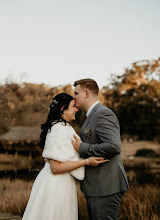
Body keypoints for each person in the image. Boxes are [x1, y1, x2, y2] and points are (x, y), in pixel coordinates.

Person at [22, 93, 108, 220]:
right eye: (73, 106)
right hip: (55, 186)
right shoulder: (58, 128)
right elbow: (55, 168)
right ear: (63, 109)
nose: (76, 109)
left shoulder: (64, 127)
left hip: (63, 184)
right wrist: (87, 162)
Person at [72, 79, 129, 220]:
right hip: (97, 187)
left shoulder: (103, 114)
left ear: (86, 93)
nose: (74, 97)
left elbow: (114, 146)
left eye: (76, 93)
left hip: (105, 187)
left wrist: (83, 148)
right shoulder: (91, 116)